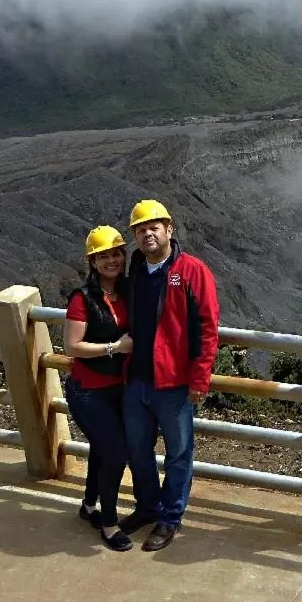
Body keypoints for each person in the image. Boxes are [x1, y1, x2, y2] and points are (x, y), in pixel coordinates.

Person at [117, 199, 220, 551]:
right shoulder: (134, 272)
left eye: (154, 227)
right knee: (138, 449)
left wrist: (199, 379)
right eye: (140, 229)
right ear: (134, 235)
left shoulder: (191, 270)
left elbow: (208, 326)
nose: (147, 233)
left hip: (174, 384)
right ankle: (147, 507)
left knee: (178, 453)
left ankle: (169, 518)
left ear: (169, 229)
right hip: (137, 380)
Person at [62, 225, 134, 552]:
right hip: (88, 392)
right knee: (116, 453)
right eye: (103, 255)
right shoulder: (83, 298)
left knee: (104, 450)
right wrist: (114, 348)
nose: (111, 260)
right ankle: (108, 522)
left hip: (118, 389)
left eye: (116, 253)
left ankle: (88, 506)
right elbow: (72, 347)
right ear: (92, 262)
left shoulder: (128, 291)